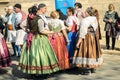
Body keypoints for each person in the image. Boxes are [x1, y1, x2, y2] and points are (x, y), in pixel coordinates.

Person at [18, 3, 60, 76]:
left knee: (32, 55)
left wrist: (28, 31)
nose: (45, 10)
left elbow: (21, 25)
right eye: (45, 8)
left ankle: (33, 72)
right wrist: (52, 31)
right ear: (38, 10)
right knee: (41, 55)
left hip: (31, 38)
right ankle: (41, 72)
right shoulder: (39, 19)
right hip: (40, 38)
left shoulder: (29, 18)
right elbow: (42, 31)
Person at [73, 7, 103, 74]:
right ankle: (92, 68)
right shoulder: (95, 19)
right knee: (92, 52)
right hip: (93, 37)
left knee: (87, 52)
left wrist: (79, 42)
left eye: (86, 12)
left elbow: (83, 31)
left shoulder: (85, 20)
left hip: (87, 38)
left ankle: (87, 69)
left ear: (88, 13)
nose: (85, 13)